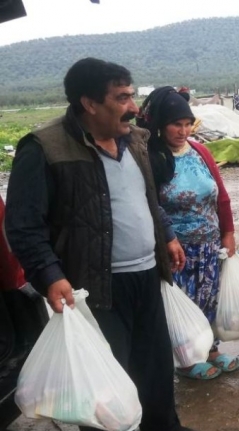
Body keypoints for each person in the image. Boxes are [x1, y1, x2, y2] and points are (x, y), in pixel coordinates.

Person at [4, 58, 194, 431]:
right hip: (94, 288)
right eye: (122, 98)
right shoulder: (45, 148)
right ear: (89, 103)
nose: (134, 107)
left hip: (147, 275)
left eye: (132, 96)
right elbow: (23, 225)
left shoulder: (135, 142)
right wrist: (49, 274)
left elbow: (146, 198)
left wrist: (166, 234)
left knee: (155, 368)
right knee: (106, 383)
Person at [137, 86, 238, 380]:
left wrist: (228, 232)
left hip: (208, 244)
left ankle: (211, 349)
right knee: (184, 303)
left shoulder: (200, 151)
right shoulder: (150, 158)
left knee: (208, 298)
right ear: (160, 125)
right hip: (175, 248)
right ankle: (185, 359)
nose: (183, 132)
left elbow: (221, 196)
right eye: (175, 125)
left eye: (187, 125)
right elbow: (149, 202)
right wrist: (167, 240)